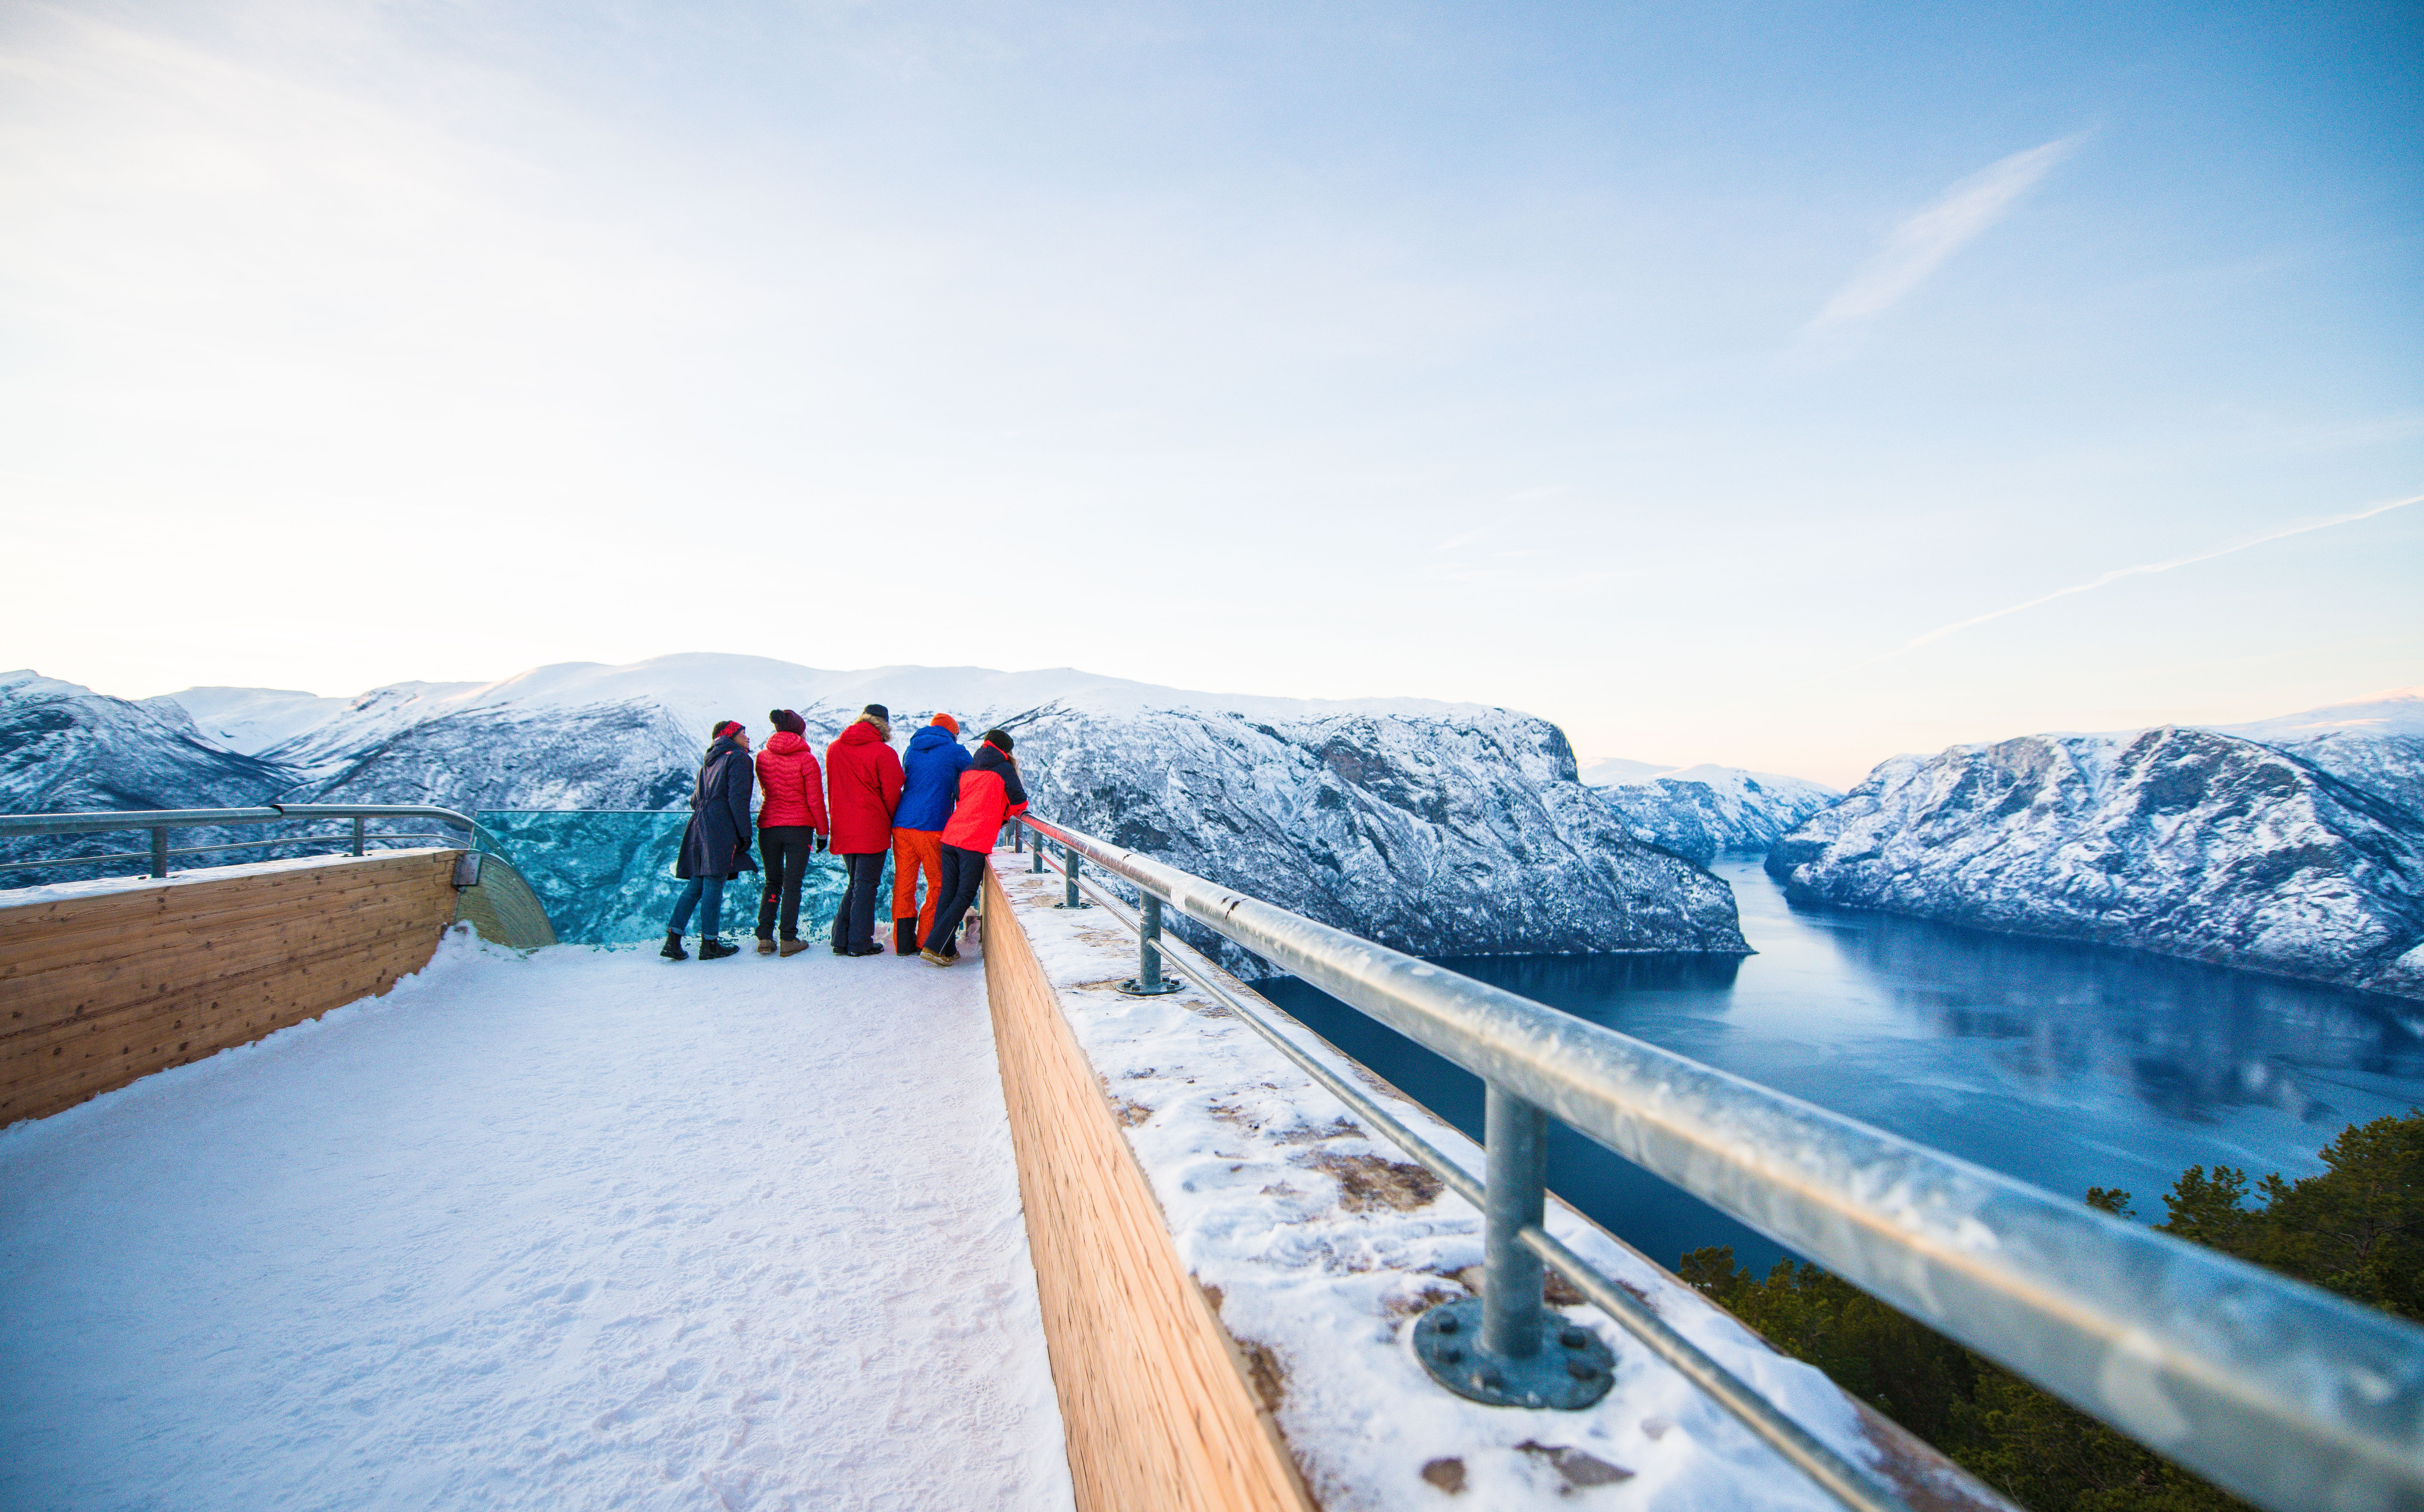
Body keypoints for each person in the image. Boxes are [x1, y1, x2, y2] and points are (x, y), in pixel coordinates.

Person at [921, 727, 1028, 967]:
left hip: (951, 837)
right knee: (964, 894)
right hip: (974, 841)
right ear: (1007, 752)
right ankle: (935, 946)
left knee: (948, 893)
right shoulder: (1005, 770)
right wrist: (1003, 815)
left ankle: (945, 949)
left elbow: (961, 798)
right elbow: (1021, 801)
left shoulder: (970, 767)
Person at [663, 719, 758, 961]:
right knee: (715, 882)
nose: (747, 737)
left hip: (698, 825)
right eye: (742, 733)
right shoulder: (739, 759)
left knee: (695, 885)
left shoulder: (709, 760)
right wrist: (744, 833)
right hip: (721, 827)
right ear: (731, 736)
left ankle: (673, 940)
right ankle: (710, 944)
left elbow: (695, 800)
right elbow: (738, 799)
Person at [824, 702, 902, 956]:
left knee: (855, 883)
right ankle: (859, 943)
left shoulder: (834, 749)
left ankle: (840, 939)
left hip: (843, 825)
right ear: (884, 725)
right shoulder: (883, 753)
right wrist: (893, 822)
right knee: (866, 885)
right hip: (872, 827)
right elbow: (892, 795)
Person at [889, 712, 971, 954]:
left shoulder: (912, 748)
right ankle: (927, 939)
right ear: (953, 733)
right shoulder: (955, 751)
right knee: (939, 884)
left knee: (904, 884)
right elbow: (974, 775)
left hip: (902, 824)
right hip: (933, 826)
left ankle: (903, 943)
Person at [754, 708, 830, 956]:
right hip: (799, 828)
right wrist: (822, 832)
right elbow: (815, 800)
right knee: (793, 884)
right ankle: (788, 938)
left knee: (772, 881)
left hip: (768, 826)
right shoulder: (806, 760)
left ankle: (765, 937)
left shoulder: (762, 757)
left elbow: (767, 790)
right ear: (799, 730)